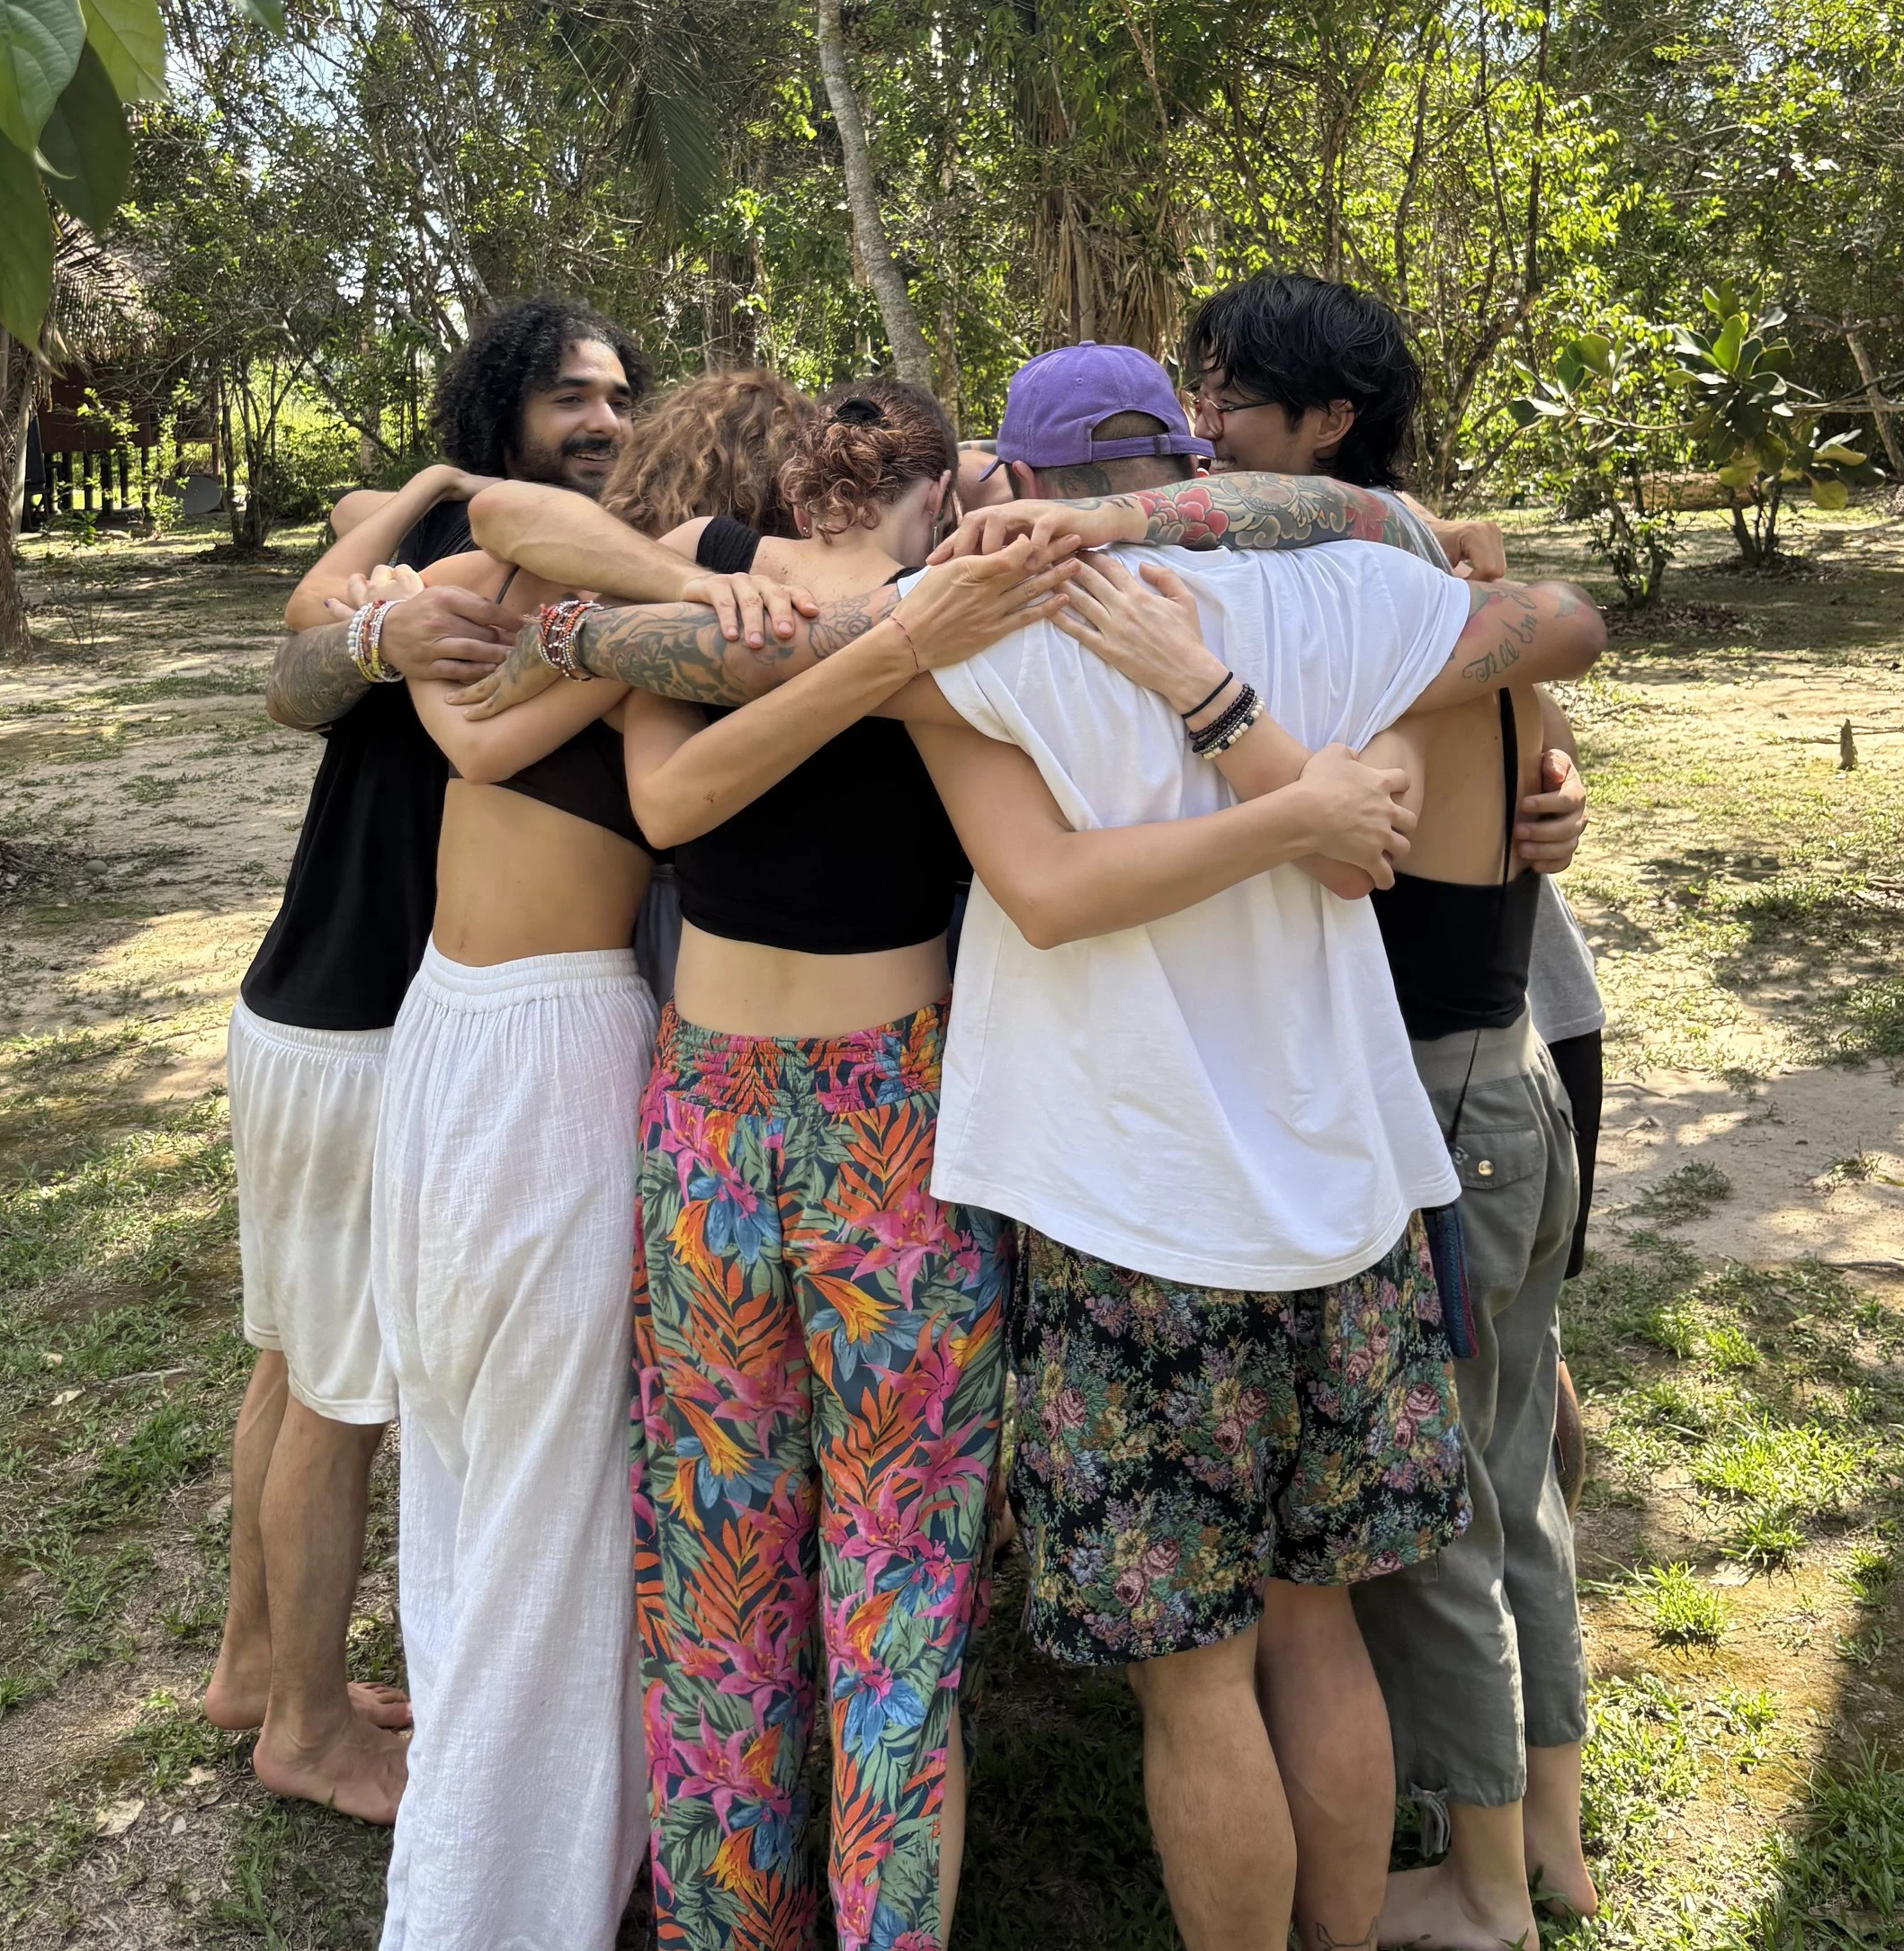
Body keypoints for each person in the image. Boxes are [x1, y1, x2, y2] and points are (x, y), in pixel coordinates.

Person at [463, 351, 1605, 1951]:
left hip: (999, 1170)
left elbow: (668, 745)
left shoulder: (959, 635)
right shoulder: (1333, 598)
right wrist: (1339, 705)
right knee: (1002, 1601)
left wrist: (615, 620)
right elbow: (1555, 631)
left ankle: (735, 1920)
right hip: (1279, 1182)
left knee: (750, 1568)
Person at [318, 370, 825, 1951]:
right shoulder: (652, 598)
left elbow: (459, 638)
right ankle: (492, 1901)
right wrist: (677, 596)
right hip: (548, 1044)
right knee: (549, 1478)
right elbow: (481, 705)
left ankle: (501, 1841)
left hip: (445, 1026)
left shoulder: (534, 587)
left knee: (469, 1454)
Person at [1182, 271, 1600, 1944]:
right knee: (1513, 1477)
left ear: (1327, 425)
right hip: (1509, 1083)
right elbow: (1536, 748)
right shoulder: (1442, 589)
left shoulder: (1375, 607)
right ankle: (1549, 1832)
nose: (1203, 428)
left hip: (1445, 1099)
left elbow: (1338, 822)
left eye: (1229, 398)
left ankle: (1487, 1892)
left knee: (1444, 1524)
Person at [201, 299, 643, 1823]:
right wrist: (413, 534)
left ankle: (253, 1668)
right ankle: (307, 1731)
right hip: (364, 1023)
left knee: (296, 1367)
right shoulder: (474, 563)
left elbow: (334, 568)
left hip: (314, 1001)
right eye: (569, 396)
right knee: (341, 1395)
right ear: (499, 409)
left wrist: (401, 508)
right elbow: (300, 654)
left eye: (618, 396)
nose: (603, 419)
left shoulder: (473, 547)